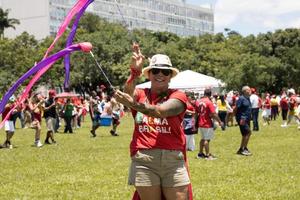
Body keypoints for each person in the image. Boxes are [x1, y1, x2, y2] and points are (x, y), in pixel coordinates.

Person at [114, 43, 192, 200]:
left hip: (173, 161)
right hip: (144, 159)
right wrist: (134, 72)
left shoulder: (178, 96)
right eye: (155, 70)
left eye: (165, 71)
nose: (160, 74)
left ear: (170, 75)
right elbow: (128, 92)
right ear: (149, 74)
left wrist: (133, 104)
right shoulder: (141, 93)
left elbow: (161, 111)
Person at [195, 89, 223, 160]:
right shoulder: (209, 102)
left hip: (200, 122)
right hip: (207, 123)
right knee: (207, 139)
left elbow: (196, 113)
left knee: (203, 138)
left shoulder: (198, 102)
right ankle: (208, 155)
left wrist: (195, 122)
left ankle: (200, 154)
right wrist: (219, 121)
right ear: (210, 94)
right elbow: (213, 113)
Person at [235, 86, 252, 156]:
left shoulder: (248, 98)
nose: (250, 91)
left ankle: (241, 149)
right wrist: (237, 119)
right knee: (248, 132)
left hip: (247, 119)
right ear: (245, 91)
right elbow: (236, 108)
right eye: (249, 90)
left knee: (245, 134)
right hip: (242, 119)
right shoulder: (241, 99)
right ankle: (244, 149)